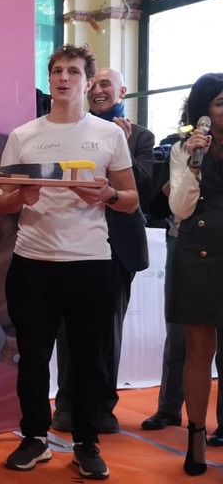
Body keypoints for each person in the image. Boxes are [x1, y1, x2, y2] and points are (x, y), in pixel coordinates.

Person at [0, 45, 138, 480]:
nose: (63, 79)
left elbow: (131, 200)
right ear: (50, 77)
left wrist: (107, 195)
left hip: (91, 261)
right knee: (34, 357)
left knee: (89, 359)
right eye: (57, 71)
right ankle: (35, 437)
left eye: (73, 72)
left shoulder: (109, 135)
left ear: (88, 81)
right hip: (33, 260)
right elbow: (3, 204)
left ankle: (86, 443)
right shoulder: (24, 134)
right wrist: (23, 195)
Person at [52, 68, 154, 434]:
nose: (98, 90)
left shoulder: (140, 137)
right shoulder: (68, 132)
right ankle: (65, 405)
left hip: (117, 248)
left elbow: (141, 189)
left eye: (105, 84)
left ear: (122, 91)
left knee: (106, 331)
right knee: (67, 329)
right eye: (93, 84)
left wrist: (119, 148)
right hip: (70, 241)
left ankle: (101, 408)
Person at [165, 73, 223, 476]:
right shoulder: (185, 149)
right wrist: (191, 161)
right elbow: (181, 209)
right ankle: (196, 435)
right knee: (198, 351)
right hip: (197, 253)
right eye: (220, 102)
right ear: (204, 110)